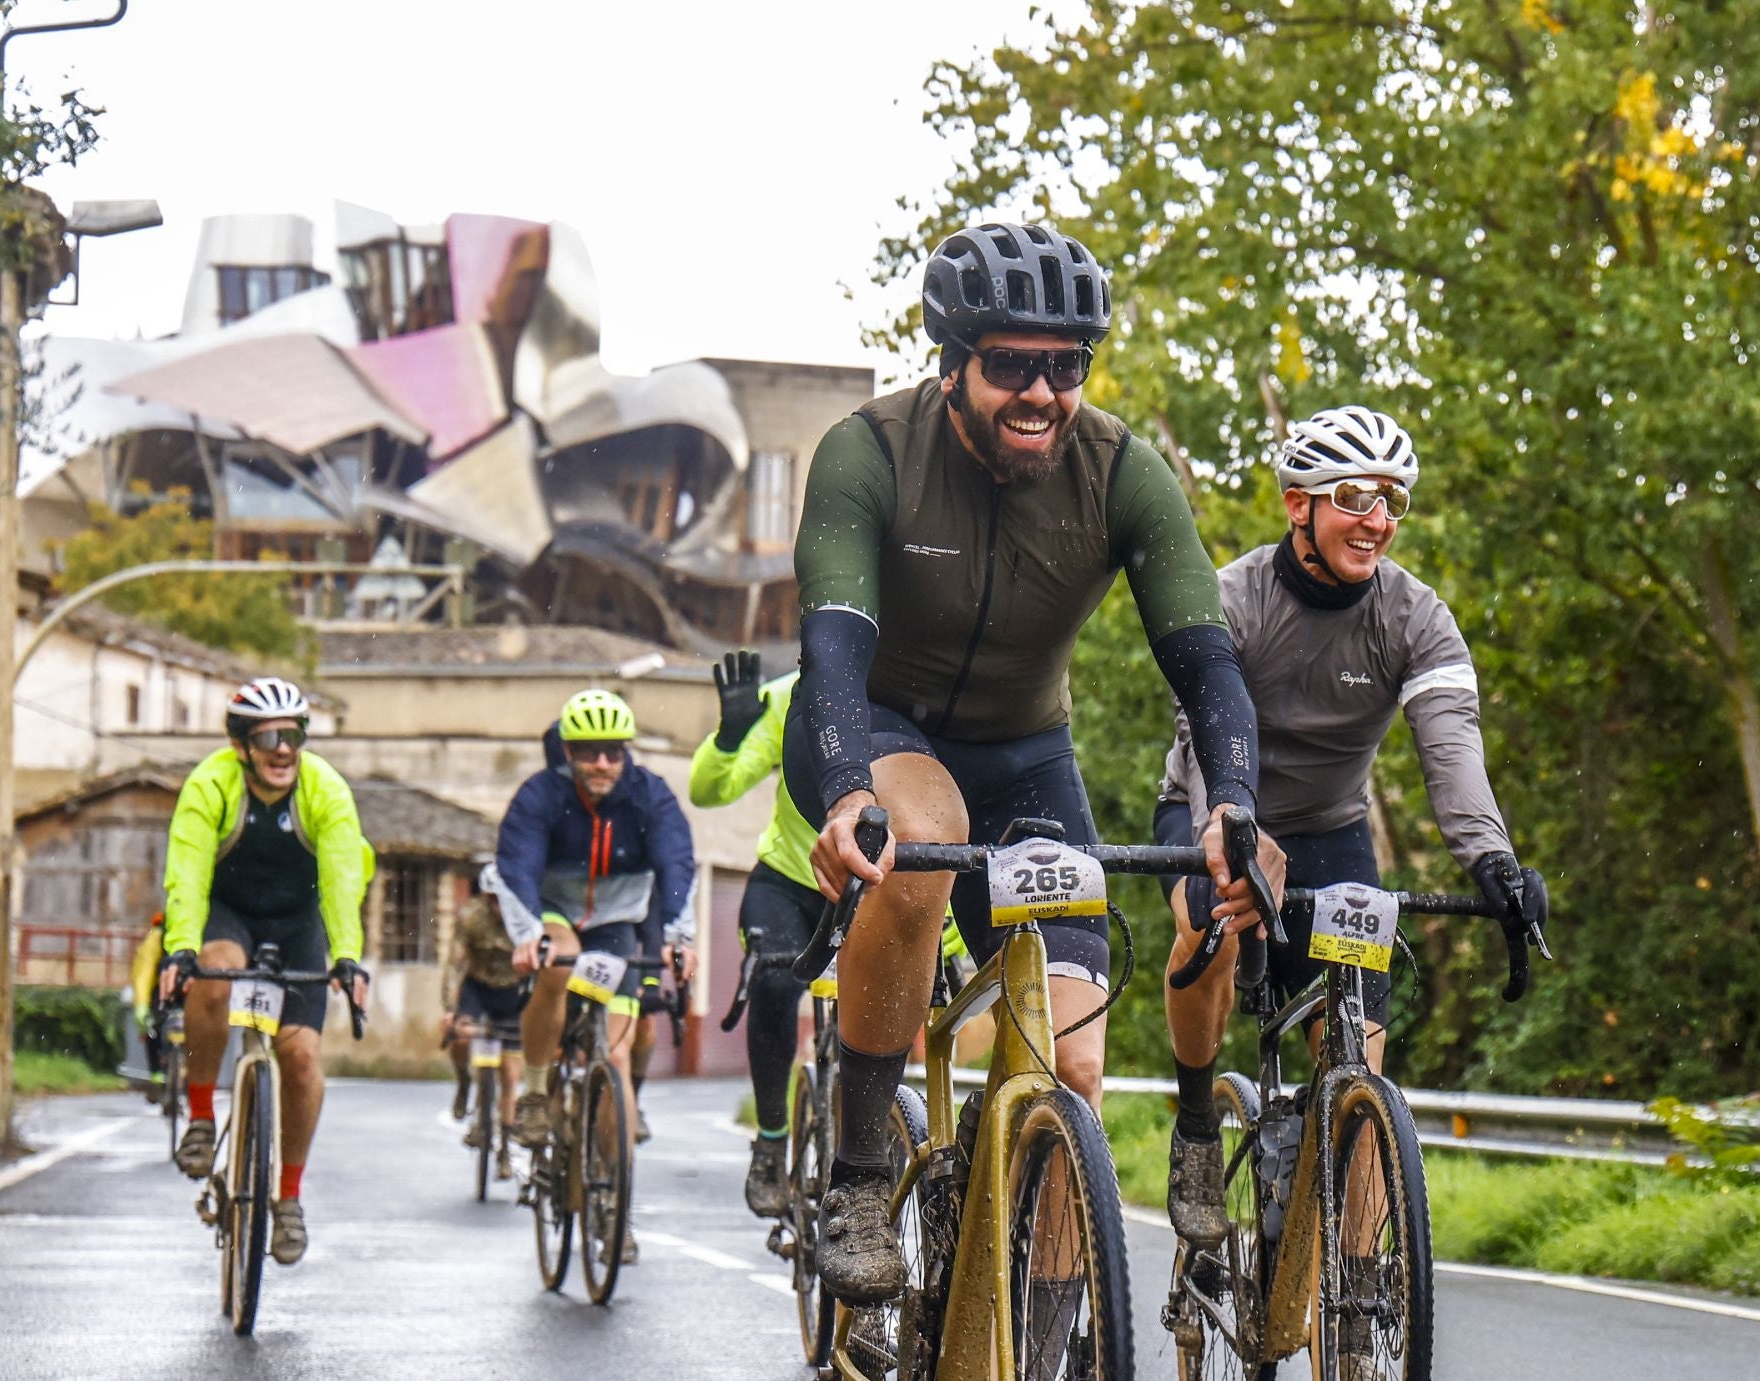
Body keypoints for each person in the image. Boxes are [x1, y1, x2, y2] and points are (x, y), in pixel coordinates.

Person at [785, 221, 1283, 1305]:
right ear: (954, 360)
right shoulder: (869, 452)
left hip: (1026, 757)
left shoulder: (1120, 469)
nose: (1041, 393)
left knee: (1076, 1072)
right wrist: (844, 793)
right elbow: (831, 645)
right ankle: (862, 1175)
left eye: (1065, 368)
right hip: (877, 725)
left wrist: (1233, 801)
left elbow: (1209, 667)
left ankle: (1054, 1328)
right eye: (1010, 365)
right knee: (915, 848)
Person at [1155, 405, 1551, 1258]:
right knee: (1209, 931)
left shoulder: (1415, 616)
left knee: (1360, 1071)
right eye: (1354, 496)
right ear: (1299, 504)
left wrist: (1492, 858)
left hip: (1333, 834)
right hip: (1212, 808)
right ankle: (1194, 1125)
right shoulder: (1233, 597)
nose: (1377, 520)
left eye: (1392, 501)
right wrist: (1227, 835)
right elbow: (1201, 739)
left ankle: (1365, 1283)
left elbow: (1451, 746)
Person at [157, 677, 372, 1266]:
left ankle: (289, 1198)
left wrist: (347, 956)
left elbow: (342, 879)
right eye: (270, 737)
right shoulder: (211, 783)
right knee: (213, 973)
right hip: (230, 914)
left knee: (300, 1057)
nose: (284, 749)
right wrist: (180, 948)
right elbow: (188, 870)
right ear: (242, 745)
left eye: (295, 735)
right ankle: (202, 1115)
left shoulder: (324, 788)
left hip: (297, 923)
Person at [497, 689, 698, 1264]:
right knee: (556, 964)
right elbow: (515, 866)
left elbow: (676, 866)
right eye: (589, 752)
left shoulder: (649, 796)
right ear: (568, 752)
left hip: (619, 921)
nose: (603, 764)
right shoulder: (541, 795)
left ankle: (617, 1206)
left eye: (613, 751)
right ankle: (536, 1094)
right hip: (555, 910)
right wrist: (526, 933)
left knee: (619, 1051)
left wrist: (680, 940)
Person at [688, 650, 822, 1217]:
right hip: (790, 882)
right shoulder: (790, 694)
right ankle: (771, 1140)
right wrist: (727, 739)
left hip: (880, 889)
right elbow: (708, 792)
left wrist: (952, 941)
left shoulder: (918, 685)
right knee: (772, 985)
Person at [444, 862, 530, 1181]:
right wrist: (450, 1009)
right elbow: (455, 963)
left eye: (503, 899)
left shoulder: (525, 918)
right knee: (461, 1034)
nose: (498, 906)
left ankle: (505, 1149)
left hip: (514, 992)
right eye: (491, 899)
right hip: (478, 988)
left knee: (510, 1074)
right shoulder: (470, 917)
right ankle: (465, 1083)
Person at [129, 911, 167, 1100]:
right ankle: (157, 1078)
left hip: (188, 988)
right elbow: (144, 973)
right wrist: (141, 1006)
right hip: (159, 991)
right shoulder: (156, 939)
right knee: (152, 1028)